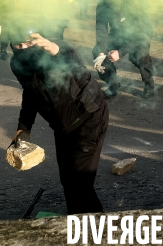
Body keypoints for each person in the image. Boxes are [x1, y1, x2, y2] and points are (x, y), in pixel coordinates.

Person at [9, 19, 108, 214]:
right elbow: (30, 93)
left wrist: (56, 50)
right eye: (18, 45)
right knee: (68, 179)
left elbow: (75, 66)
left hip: (89, 120)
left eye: (28, 43)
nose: (23, 48)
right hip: (62, 126)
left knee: (81, 181)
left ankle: (97, 227)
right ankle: (74, 219)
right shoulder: (17, 63)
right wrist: (24, 128)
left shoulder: (57, 48)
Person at [93, 0, 155, 98]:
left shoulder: (130, 4)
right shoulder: (102, 6)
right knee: (98, 52)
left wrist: (120, 52)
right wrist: (101, 53)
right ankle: (113, 85)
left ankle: (149, 84)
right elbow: (101, 30)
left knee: (139, 56)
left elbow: (140, 34)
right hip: (118, 32)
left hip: (141, 33)